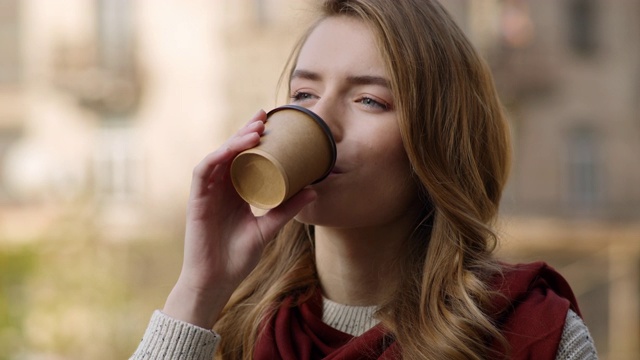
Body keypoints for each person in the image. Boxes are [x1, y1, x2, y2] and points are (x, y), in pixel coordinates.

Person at [131, 0, 598, 359]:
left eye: (369, 100)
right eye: (304, 93)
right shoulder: (234, 329)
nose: (321, 121)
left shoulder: (532, 334)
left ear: (434, 143)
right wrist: (197, 290)